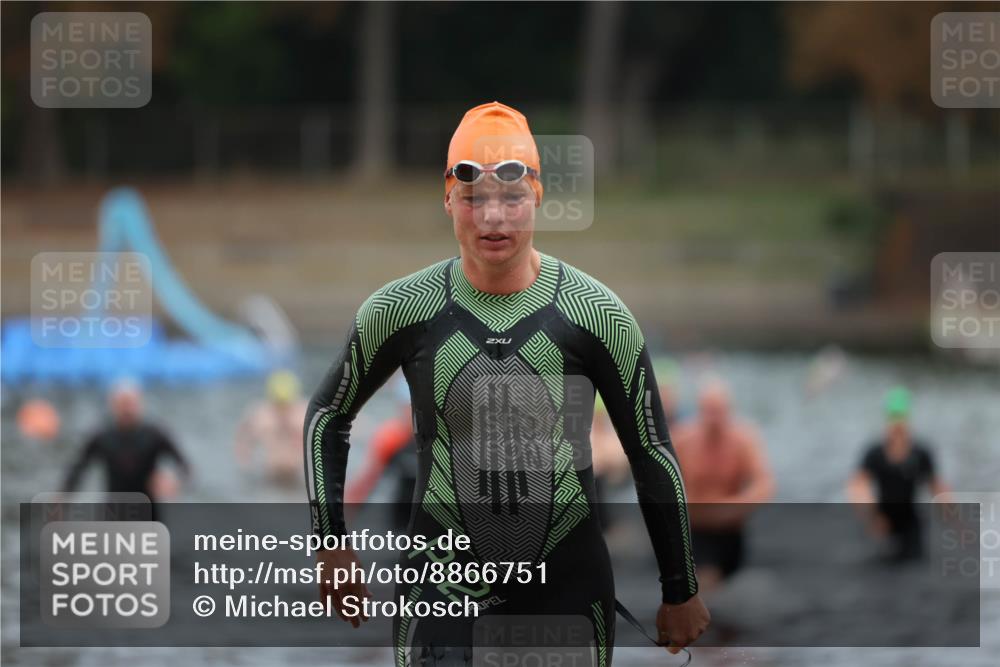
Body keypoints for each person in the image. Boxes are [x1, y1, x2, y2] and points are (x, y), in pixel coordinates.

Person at [305, 101, 709, 664]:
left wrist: (679, 585)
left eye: (512, 198)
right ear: (448, 198)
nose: (493, 219)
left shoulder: (596, 314)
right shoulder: (401, 310)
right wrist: (332, 549)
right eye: (473, 199)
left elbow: (649, 451)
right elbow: (328, 417)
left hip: (566, 593)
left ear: (538, 196)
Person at [672, 379, 775, 592]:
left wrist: (736, 505)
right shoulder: (683, 439)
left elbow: (764, 483)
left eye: (718, 411)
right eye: (708, 411)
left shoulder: (744, 439)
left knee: (732, 591)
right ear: (699, 410)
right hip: (695, 531)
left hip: (732, 531)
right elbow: (660, 486)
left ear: (729, 411)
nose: (714, 419)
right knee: (706, 586)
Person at [846, 386, 950, 561]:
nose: (898, 424)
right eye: (893, 418)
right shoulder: (875, 453)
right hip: (882, 519)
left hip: (911, 523)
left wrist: (957, 522)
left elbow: (937, 487)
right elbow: (857, 485)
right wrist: (871, 514)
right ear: (887, 419)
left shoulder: (921, 453)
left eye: (901, 418)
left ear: (908, 419)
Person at [63, 380, 189, 516]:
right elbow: (77, 470)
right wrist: (63, 497)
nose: (127, 410)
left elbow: (184, 467)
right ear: (112, 405)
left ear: (140, 404)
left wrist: (173, 481)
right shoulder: (102, 437)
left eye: (131, 404)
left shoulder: (155, 435)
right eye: (122, 404)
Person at [345, 375, 419, 531]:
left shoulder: (444, 437)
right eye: (406, 407)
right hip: (400, 522)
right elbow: (365, 483)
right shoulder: (391, 438)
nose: (410, 414)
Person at [234, 370, 308, 487]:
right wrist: (245, 464)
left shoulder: (303, 415)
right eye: (278, 404)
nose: (283, 409)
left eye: (286, 404)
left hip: (296, 473)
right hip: (270, 473)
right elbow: (243, 440)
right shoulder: (260, 416)